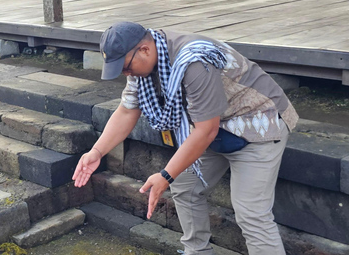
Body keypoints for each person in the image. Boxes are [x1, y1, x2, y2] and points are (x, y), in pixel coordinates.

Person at [73, 22, 298, 255]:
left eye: (126, 68)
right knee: (185, 186)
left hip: (257, 123)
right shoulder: (143, 63)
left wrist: (165, 175)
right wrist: (97, 152)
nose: (125, 74)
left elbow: (205, 131)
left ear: (144, 50)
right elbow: (128, 110)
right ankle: (196, 251)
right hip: (214, 126)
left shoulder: (194, 61)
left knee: (252, 213)